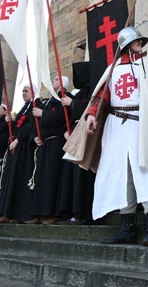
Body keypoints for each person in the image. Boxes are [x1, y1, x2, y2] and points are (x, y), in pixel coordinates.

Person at [66, 26, 148, 246]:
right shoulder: (113, 68)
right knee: (121, 176)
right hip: (116, 126)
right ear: (127, 44)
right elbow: (101, 96)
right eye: (137, 41)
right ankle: (126, 230)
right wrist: (91, 114)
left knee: (147, 172)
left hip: (142, 125)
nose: (141, 44)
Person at [0, 85, 40, 224]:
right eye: (23, 91)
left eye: (26, 91)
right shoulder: (23, 108)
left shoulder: (35, 105)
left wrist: (18, 139)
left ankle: (24, 214)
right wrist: (10, 124)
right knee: (10, 179)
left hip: (24, 148)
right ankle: (7, 212)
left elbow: (30, 126)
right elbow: (17, 127)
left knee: (21, 178)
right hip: (15, 147)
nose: (23, 93)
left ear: (33, 92)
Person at [56, 62, 96, 225]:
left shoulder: (92, 90)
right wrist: (67, 129)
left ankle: (84, 212)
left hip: (86, 134)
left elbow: (90, 108)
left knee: (83, 174)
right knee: (71, 175)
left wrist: (72, 104)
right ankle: (71, 210)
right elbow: (71, 116)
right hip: (74, 134)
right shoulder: (79, 94)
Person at [27, 76, 70, 225]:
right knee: (40, 179)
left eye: (56, 79)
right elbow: (36, 123)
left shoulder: (64, 98)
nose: (53, 80)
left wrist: (43, 114)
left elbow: (61, 117)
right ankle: (38, 212)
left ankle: (50, 213)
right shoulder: (47, 101)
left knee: (51, 178)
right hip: (44, 144)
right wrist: (34, 138)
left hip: (56, 143)